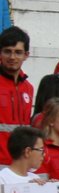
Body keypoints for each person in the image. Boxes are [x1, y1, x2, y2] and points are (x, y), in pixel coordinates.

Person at [0, 27, 35, 168]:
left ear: (26, 55)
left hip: (19, 164)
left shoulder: (28, 87)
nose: (12, 57)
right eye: (7, 51)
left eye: (18, 52)